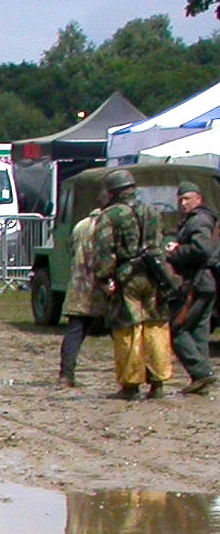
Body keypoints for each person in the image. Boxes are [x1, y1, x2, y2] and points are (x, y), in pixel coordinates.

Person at [90, 169, 171, 401]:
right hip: (154, 274)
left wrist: (105, 278)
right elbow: (159, 243)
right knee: (155, 326)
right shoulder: (152, 211)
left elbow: (105, 251)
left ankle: (131, 385)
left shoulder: (110, 215)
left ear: (112, 192)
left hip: (127, 276)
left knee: (128, 329)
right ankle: (158, 382)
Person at [166, 180, 214, 394]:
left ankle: (202, 373)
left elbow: (202, 250)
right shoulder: (199, 219)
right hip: (205, 283)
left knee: (177, 329)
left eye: (187, 199)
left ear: (198, 199)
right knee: (198, 333)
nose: (183, 203)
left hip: (197, 283)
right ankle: (201, 380)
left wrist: (176, 251)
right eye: (180, 199)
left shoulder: (198, 221)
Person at [58, 205, 106, 389]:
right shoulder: (106, 228)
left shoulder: (80, 226)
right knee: (120, 330)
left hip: (78, 285)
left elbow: (70, 249)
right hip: (101, 285)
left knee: (74, 332)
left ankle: (66, 374)